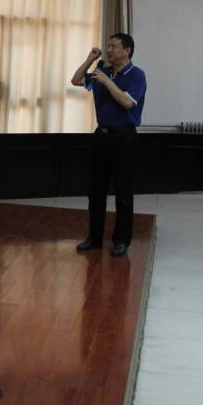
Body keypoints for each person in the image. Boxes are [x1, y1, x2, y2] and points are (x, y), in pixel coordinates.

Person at [71, 33, 146, 257]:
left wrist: (106, 82)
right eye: (108, 46)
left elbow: (127, 102)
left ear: (127, 51)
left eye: (114, 46)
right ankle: (94, 237)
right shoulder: (102, 71)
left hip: (123, 136)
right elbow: (76, 80)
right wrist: (90, 59)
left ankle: (121, 240)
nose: (109, 50)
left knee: (123, 191)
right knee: (96, 190)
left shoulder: (136, 74)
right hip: (101, 136)